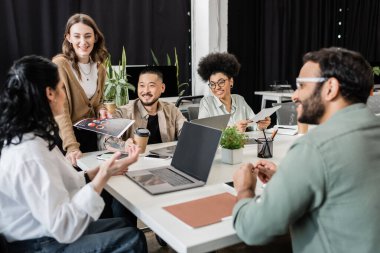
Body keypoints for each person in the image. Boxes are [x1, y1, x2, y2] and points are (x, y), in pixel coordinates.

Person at [232, 47, 380, 253]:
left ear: (330, 88)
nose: (294, 96)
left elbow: (253, 230)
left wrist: (244, 189)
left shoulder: (315, 147)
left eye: (301, 86)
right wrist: (289, 177)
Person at [0, 55, 147, 252]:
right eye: (62, 88)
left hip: (46, 229)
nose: (65, 95)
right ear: (49, 94)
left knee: (124, 224)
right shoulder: (30, 154)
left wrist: (97, 172)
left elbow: (55, 185)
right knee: (132, 237)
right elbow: (64, 227)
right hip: (39, 243)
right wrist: (100, 179)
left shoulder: (32, 137)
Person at [53, 13, 110, 166]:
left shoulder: (100, 67)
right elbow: (60, 113)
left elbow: (97, 102)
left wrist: (101, 109)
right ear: (68, 37)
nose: (83, 42)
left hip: (90, 135)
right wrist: (71, 146)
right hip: (66, 138)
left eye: (88, 36)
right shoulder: (60, 65)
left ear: (95, 38)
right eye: (77, 36)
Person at [103, 67, 187, 150]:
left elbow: (186, 132)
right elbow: (107, 140)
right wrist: (124, 145)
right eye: (142, 85)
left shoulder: (172, 110)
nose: (146, 91)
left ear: (162, 88)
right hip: (135, 161)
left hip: (165, 161)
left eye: (151, 86)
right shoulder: (123, 112)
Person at [197, 52, 270, 132]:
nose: (217, 87)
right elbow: (203, 132)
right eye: (212, 84)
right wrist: (234, 129)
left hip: (243, 144)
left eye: (221, 82)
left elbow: (253, 124)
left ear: (231, 81)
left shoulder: (239, 100)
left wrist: (260, 125)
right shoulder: (206, 103)